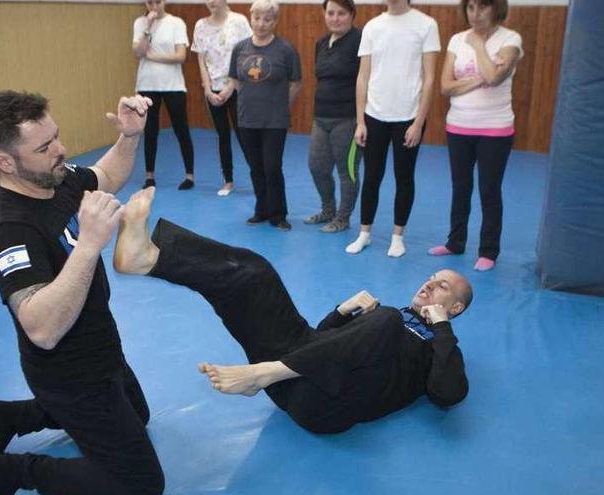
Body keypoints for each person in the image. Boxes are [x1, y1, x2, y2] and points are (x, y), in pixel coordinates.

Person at [113, 187, 471, 434]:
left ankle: (262, 373)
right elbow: (319, 343)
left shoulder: (438, 345)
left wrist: (441, 331)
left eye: (442, 286)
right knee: (257, 273)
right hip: (293, 375)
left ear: (455, 307)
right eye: (431, 277)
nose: (428, 284)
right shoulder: (385, 314)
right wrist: (341, 313)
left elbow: (448, 394)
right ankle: (150, 259)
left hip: (325, 403)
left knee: (389, 319)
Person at [0, 91, 164, 495]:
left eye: (56, 137)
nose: (60, 150)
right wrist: (90, 244)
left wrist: (129, 137)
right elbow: (42, 329)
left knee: (140, 416)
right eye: (44, 147)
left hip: (104, 348)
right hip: (69, 375)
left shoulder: (54, 177)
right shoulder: (10, 230)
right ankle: (14, 471)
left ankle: (16, 415)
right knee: (142, 484)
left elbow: (106, 175)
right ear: (4, 163)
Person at [429, 0, 523, 272]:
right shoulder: (457, 40)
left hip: (495, 128)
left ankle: (488, 250)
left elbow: (494, 78)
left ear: (496, 8)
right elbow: (445, 86)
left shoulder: (510, 39)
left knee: (489, 190)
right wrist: (480, 78)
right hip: (458, 126)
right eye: (470, 7)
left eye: (482, 7)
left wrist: (480, 45)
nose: (475, 14)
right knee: (460, 187)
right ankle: (455, 242)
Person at [346, 0, 439, 255]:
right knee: (372, 176)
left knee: (404, 176)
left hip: (408, 116)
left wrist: (419, 122)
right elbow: (363, 76)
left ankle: (398, 236)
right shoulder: (373, 27)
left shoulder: (426, 25)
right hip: (375, 114)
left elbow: (430, 78)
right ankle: (365, 232)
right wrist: (360, 121)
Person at [220, 0, 302, 231]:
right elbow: (234, 79)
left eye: (267, 19)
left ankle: (278, 213)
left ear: (275, 21)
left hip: (275, 120)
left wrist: (283, 107)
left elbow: (296, 83)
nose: (261, 24)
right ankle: (262, 209)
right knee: (255, 166)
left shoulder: (285, 50)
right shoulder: (240, 48)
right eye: (257, 18)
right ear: (251, 19)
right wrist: (235, 96)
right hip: (246, 119)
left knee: (272, 166)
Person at [304, 0, 362, 234]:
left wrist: (361, 121)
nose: (335, 18)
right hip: (321, 117)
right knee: (317, 167)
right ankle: (328, 209)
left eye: (341, 13)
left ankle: (343, 217)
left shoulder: (360, 41)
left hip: (348, 119)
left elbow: (365, 80)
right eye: (331, 13)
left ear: (352, 15)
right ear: (324, 14)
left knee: (346, 171)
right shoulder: (321, 43)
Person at [133, 0, 196, 191]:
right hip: (147, 84)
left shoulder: (176, 23)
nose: (154, 6)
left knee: (181, 129)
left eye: (158, 2)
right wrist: (148, 27)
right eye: (150, 2)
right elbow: (137, 52)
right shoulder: (139, 23)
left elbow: (180, 56)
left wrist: (152, 56)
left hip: (173, 85)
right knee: (150, 131)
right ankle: (149, 176)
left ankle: (189, 176)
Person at [192, 0, 252, 197]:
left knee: (244, 134)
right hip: (213, 91)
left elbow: (247, 56)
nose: (211, 2)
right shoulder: (200, 26)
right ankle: (228, 180)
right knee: (222, 136)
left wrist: (231, 86)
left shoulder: (239, 21)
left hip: (236, 89)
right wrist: (207, 89)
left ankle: (259, 175)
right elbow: (201, 61)